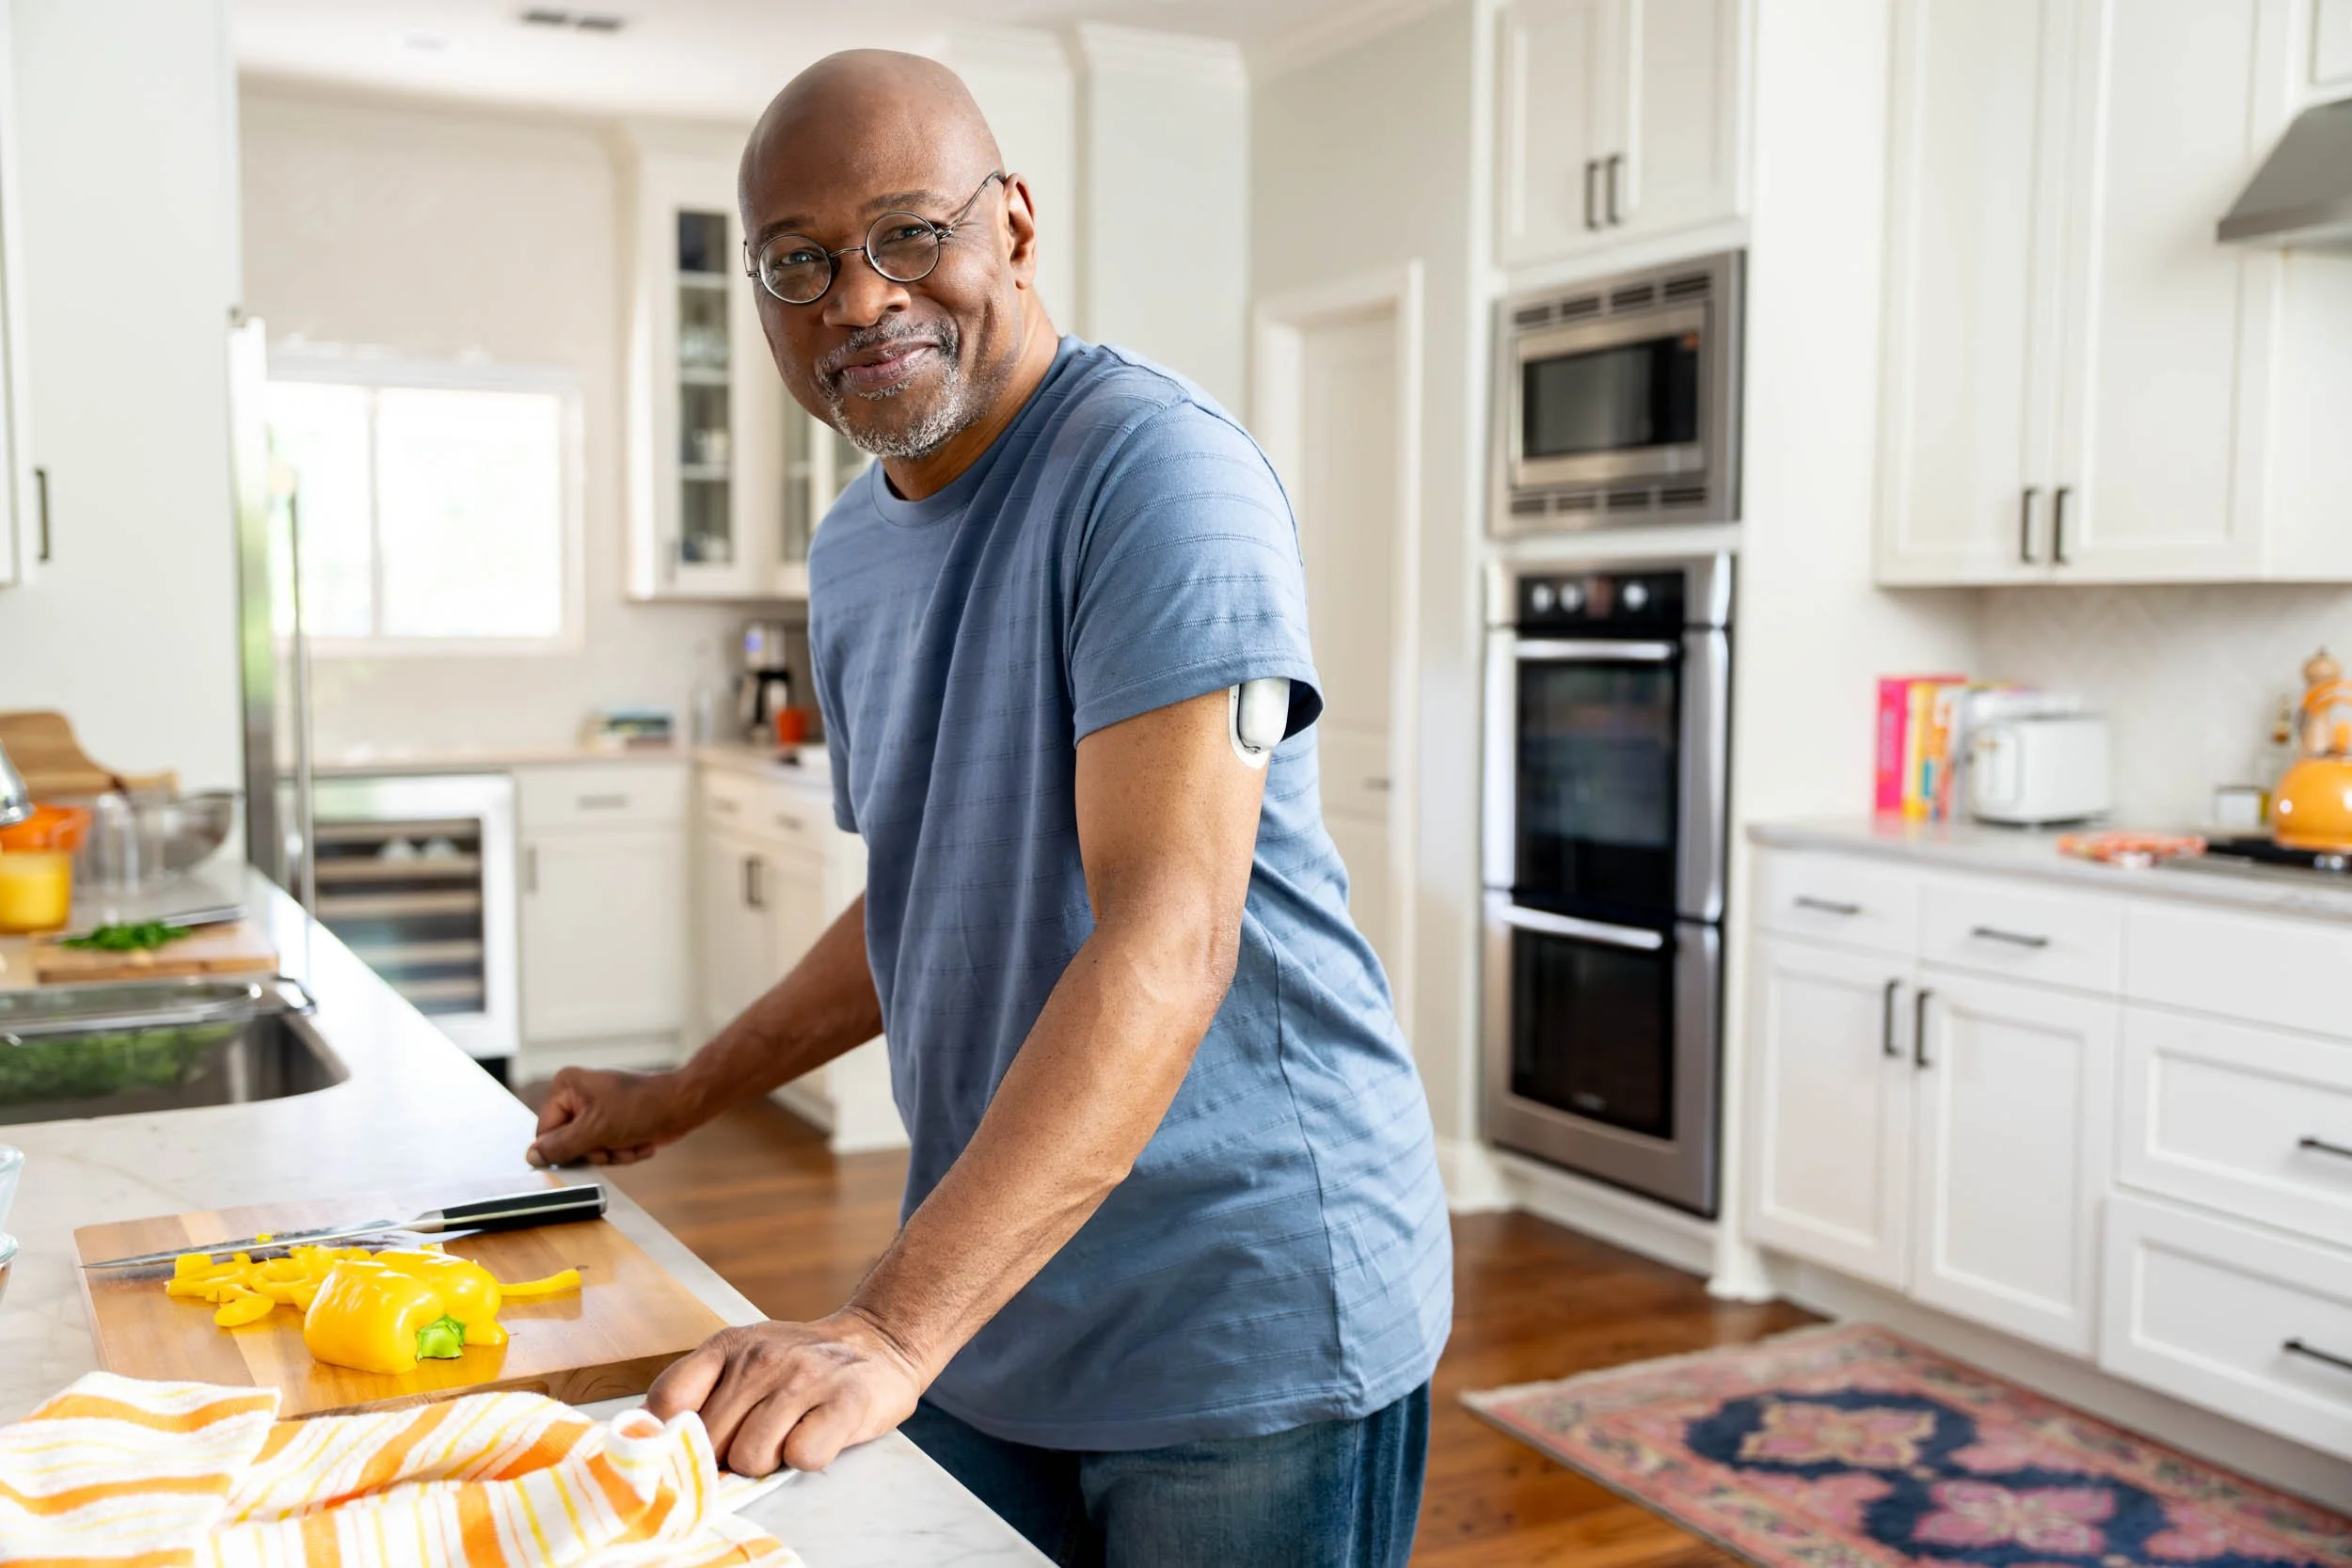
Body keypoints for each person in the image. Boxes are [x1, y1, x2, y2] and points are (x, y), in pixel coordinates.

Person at [525, 48, 1451, 1567]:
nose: (861, 298)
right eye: (799, 263)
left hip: (1238, 1308)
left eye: (908, 233)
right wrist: (681, 1092)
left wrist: (889, 1324)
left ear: (1014, 224)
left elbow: (1171, 933)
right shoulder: (852, 549)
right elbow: (928, 898)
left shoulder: (1156, 475)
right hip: (1004, 1294)